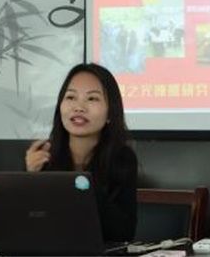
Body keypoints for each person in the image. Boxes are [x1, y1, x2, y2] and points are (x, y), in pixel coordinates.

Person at [25, 63, 137, 243]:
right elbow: (26, 229)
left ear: (110, 113)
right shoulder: (41, 158)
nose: (79, 107)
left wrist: (85, 185)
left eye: (92, 99)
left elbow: (123, 233)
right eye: (71, 97)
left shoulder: (122, 159)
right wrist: (29, 179)